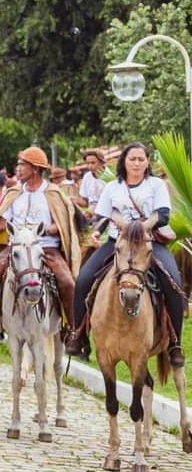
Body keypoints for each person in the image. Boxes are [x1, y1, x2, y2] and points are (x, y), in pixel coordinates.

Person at [67, 142, 184, 365]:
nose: (137, 163)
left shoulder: (156, 185)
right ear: (124, 162)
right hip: (116, 243)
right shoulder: (113, 188)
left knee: (174, 283)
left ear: (147, 162)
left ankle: (175, 343)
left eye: (141, 159)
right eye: (132, 159)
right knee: (82, 280)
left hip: (148, 244)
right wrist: (96, 233)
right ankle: (78, 334)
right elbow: (101, 216)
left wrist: (145, 225)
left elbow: (164, 215)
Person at [0, 147, 79, 348]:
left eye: (23, 165)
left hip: (45, 248)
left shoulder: (53, 193)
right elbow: (2, 223)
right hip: (16, 247)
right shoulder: (13, 192)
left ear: (36, 169)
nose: (19, 169)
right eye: (19, 164)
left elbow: (63, 224)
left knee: (67, 283)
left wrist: (50, 229)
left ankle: (71, 329)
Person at [76, 148, 107, 216]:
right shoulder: (87, 177)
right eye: (88, 163)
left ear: (101, 162)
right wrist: (73, 200)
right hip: (91, 213)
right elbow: (86, 202)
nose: (90, 166)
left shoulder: (109, 177)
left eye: (93, 163)